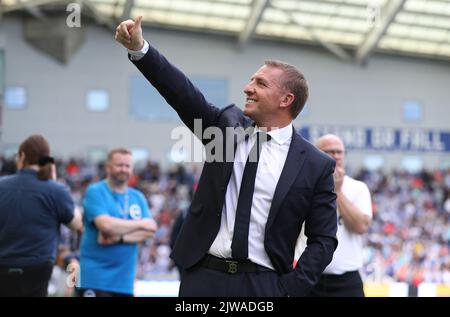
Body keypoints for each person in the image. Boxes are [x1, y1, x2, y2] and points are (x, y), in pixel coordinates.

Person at [115, 17, 338, 297]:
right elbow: (183, 94)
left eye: (260, 83)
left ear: (286, 100)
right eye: (251, 80)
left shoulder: (315, 164)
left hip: (264, 285)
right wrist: (141, 49)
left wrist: (289, 289)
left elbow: (324, 239)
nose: (248, 87)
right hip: (203, 280)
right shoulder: (226, 127)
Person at [0, 134, 83, 297]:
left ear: (22, 156)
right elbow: (77, 224)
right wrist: (54, 182)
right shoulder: (56, 190)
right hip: (37, 270)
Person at [299, 134, 372, 297]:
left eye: (339, 152)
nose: (336, 156)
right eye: (329, 151)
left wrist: (337, 191)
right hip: (308, 276)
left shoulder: (358, 188)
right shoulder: (303, 186)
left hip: (346, 280)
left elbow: (361, 227)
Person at [77, 148, 157, 297]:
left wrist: (119, 237)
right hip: (95, 278)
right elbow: (105, 225)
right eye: (119, 165)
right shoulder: (95, 191)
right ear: (108, 167)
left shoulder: (137, 197)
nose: (124, 169)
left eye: (128, 166)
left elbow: (151, 230)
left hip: (125, 282)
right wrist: (140, 224)